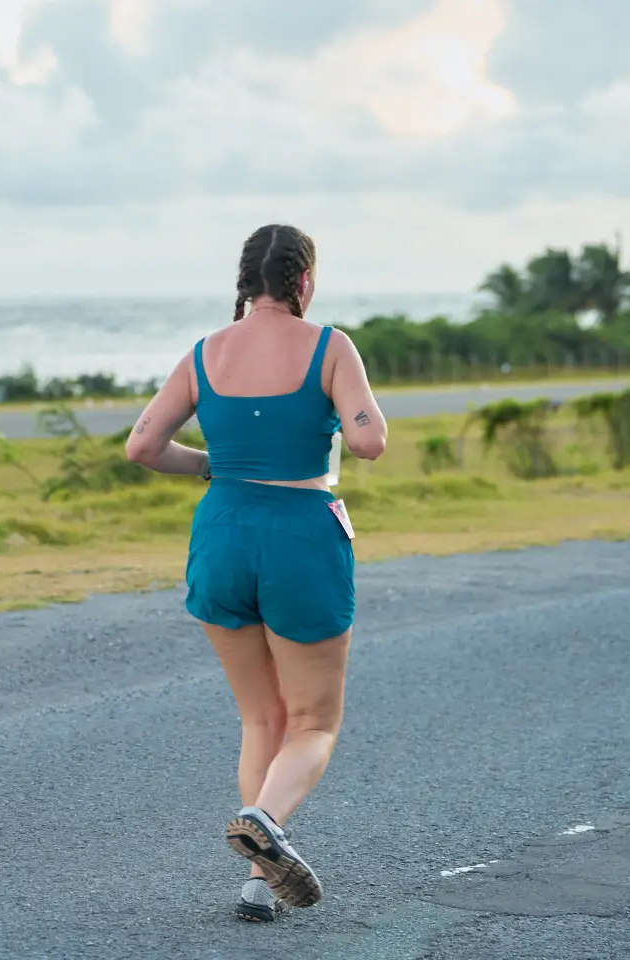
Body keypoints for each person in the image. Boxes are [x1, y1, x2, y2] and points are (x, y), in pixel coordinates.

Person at [124, 225, 387, 921]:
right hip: (301, 534)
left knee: (259, 715)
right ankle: (265, 823)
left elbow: (144, 445)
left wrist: (212, 461)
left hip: (223, 531)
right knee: (314, 722)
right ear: (303, 281)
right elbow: (369, 441)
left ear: (246, 281)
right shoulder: (330, 345)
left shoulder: (205, 352)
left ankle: (256, 883)